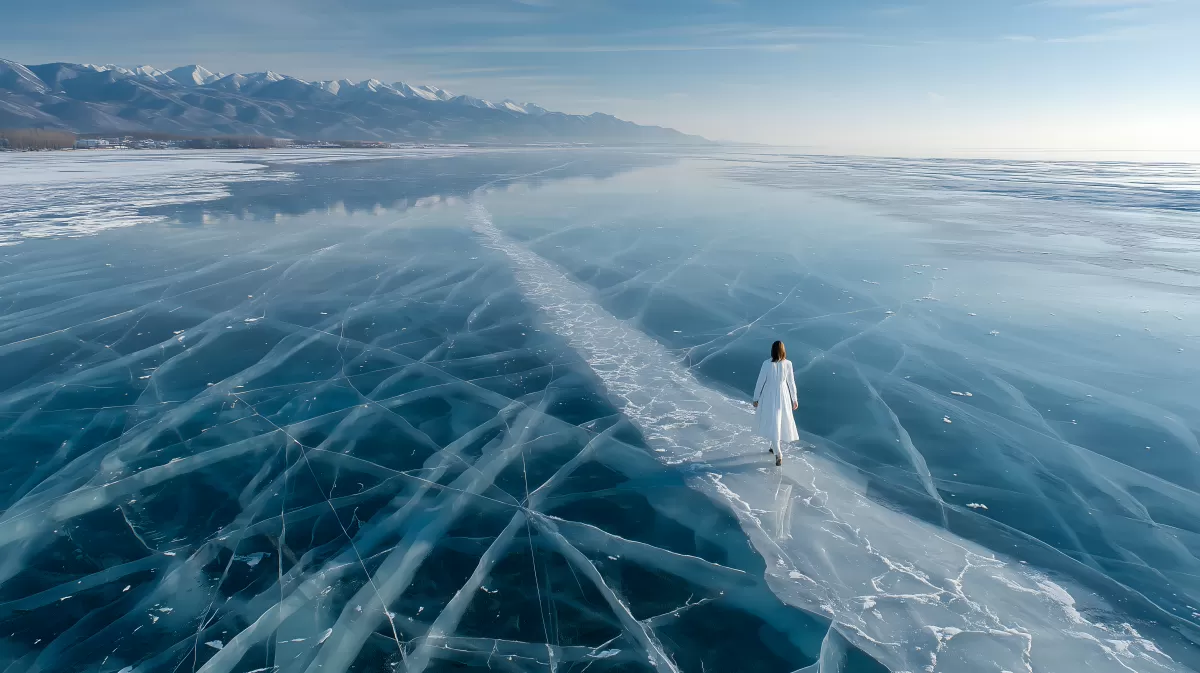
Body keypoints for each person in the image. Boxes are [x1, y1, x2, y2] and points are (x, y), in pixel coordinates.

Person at [752, 340, 799, 466]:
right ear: (783, 350)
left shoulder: (766, 364)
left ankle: (778, 453)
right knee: (778, 421)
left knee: (773, 421)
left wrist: (756, 398)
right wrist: (794, 399)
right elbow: (791, 383)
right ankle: (773, 447)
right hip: (783, 395)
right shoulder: (788, 363)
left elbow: (760, 382)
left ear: (772, 350)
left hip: (769, 395)